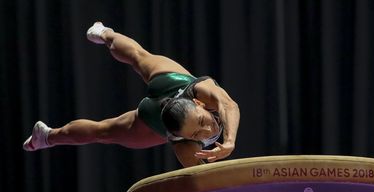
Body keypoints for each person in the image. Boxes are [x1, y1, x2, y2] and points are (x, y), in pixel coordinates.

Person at [23, 22, 240, 167]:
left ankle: (48, 136)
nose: (208, 129)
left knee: (137, 58)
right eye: (197, 132)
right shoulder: (184, 144)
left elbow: (230, 105)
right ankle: (49, 136)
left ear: (200, 103)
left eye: (201, 123)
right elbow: (204, 181)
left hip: (171, 88)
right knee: (104, 130)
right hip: (157, 106)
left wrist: (229, 141)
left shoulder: (204, 90)